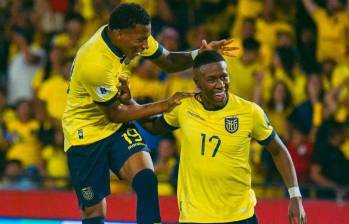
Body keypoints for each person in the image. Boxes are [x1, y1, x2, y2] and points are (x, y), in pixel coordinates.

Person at [62, 3, 236, 224]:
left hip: (115, 126)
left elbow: (169, 61)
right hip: (84, 134)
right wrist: (165, 104)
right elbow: (115, 114)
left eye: (147, 38)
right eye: (140, 40)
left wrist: (199, 54)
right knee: (94, 211)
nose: (145, 45)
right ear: (119, 34)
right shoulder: (95, 63)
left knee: (146, 180)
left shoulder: (133, 32)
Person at [140, 51, 306, 223]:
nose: (220, 84)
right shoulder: (183, 107)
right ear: (197, 82)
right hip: (195, 217)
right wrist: (130, 105)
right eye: (211, 79)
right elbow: (153, 127)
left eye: (224, 77)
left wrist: (295, 196)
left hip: (240, 216)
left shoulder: (249, 111)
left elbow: (278, 150)